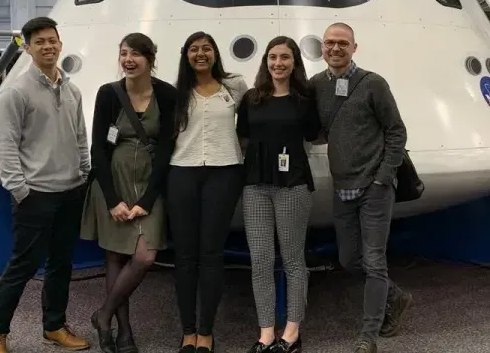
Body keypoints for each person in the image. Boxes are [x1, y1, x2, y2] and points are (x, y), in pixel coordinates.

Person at [0, 16, 91, 352]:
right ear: (28, 48)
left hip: (71, 191)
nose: (48, 46)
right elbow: (4, 145)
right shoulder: (16, 91)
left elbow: (79, 135)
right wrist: (20, 190)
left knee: (61, 264)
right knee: (23, 266)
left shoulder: (71, 89)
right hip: (35, 195)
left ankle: (54, 326)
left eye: (52, 40)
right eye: (40, 41)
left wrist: (84, 172)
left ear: (60, 44)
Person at [310, 22, 413, 353]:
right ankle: (396, 298)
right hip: (344, 188)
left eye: (343, 43)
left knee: (373, 260)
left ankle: (368, 336)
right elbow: (317, 129)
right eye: (329, 43)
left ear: (355, 48)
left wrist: (384, 176)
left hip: (375, 188)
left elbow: (396, 131)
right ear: (322, 48)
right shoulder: (316, 86)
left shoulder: (373, 84)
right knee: (349, 259)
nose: (335, 48)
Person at [80, 33, 177, 353]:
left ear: (150, 58)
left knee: (144, 256)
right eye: (123, 53)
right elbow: (99, 147)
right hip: (114, 180)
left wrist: (148, 199)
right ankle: (123, 331)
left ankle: (103, 314)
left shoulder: (166, 94)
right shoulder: (109, 94)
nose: (128, 60)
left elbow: (166, 149)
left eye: (136, 54)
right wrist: (111, 200)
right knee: (115, 255)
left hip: (149, 182)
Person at [236, 36, 320, 353]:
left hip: (293, 186)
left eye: (285, 57)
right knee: (260, 262)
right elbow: (242, 136)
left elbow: (314, 134)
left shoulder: (303, 100)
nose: (278, 63)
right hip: (256, 186)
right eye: (273, 57)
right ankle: (266, 333)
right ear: (265, 61)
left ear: (294, 62)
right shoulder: (252, 98)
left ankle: (292, 331)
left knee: (293, 261)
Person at [167, 31, 248, 353]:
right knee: (185, 256)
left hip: (224, 173)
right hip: (182, 173)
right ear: (186, 55)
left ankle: (206, 331)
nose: (200, 54)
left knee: (212, 254)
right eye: (194, 49)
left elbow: (252, 123)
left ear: (215, 53)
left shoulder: (235, 86)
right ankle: (188, 330)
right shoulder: (176, 93)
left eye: (207, 48)